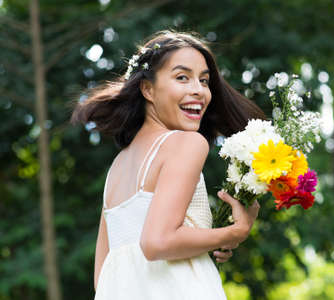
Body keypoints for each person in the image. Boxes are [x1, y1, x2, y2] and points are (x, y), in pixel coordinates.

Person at [71, 30, 265, 299]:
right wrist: (234, 232)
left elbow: (103, 276)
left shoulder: (118, 166)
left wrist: (207, 241)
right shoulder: (187, 143)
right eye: (182, 77)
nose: (198, 90)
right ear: (148, 89)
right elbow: (157, 241)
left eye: (204, 80)